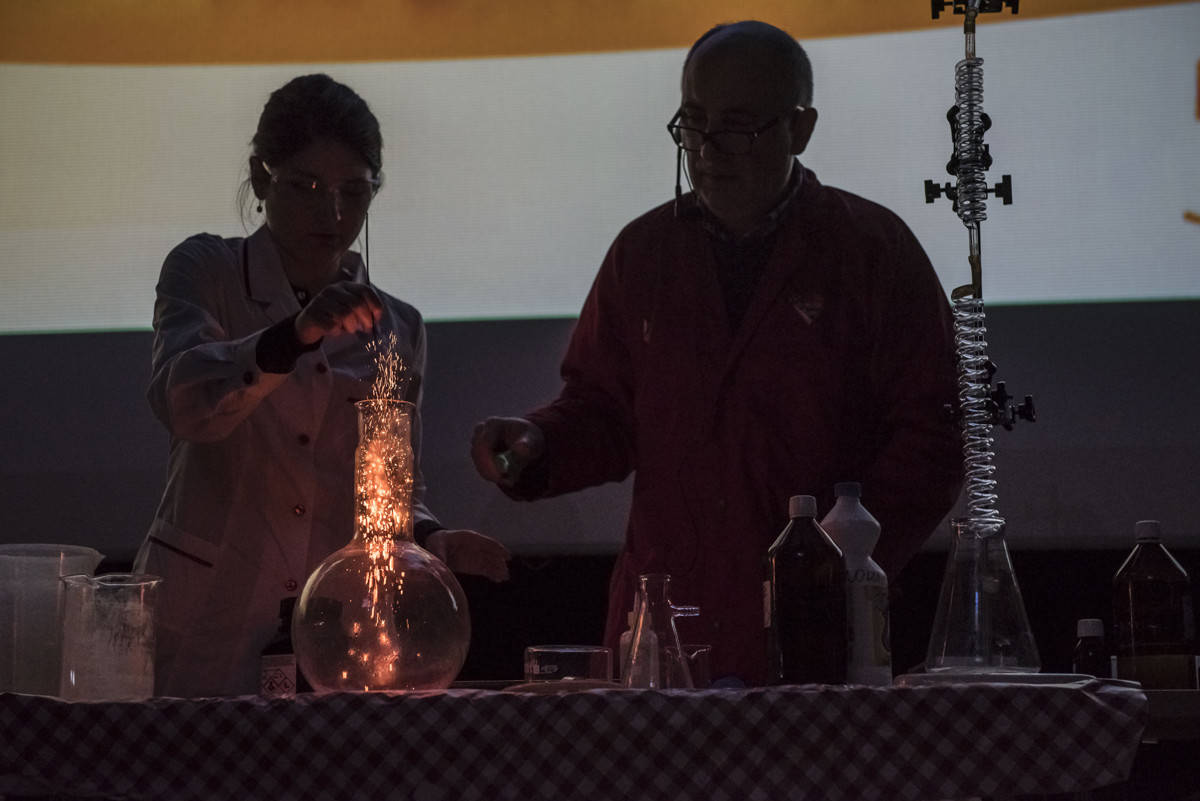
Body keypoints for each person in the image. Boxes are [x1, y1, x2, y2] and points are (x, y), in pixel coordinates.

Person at [471, 21, 963, 686]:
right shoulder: (643, 253)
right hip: (664, 627)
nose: (706, 149)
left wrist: (845, 564)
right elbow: (604, 412)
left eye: (737, 127)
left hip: (820, 635)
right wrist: (536, 443)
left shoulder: (872, 249)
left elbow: (936, 435)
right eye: (693, 123)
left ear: (801, 129)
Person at [135, 74, 511, 697]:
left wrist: (430, 537)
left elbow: (391, 486)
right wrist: (293, 335)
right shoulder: (207, 270)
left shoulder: (397, 327)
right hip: (207, 618)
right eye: (306, 187)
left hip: (333, 632)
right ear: (260, 178)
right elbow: (186, 403)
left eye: (353, 192)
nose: (332, 214)